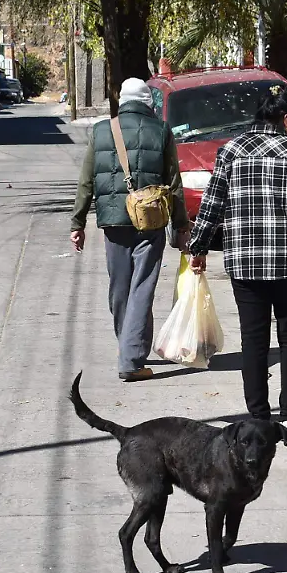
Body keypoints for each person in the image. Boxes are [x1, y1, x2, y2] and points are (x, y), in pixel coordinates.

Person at [187, 86, 287, 441]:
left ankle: (257, 419)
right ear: (285, 119)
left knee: (253, 341)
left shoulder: (231, 151)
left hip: (244, 262)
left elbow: (212, 207)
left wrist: (199, 248)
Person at [71, 77, 190, 382]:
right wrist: (181, 227)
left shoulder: (100, 130)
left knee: (120, 289)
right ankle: (131, 360)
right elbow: (174, 183)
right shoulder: (161, 131)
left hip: (113, 221)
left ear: (122, 100)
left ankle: (129, 347)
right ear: (148, 102)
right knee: (142, 289)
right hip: (150, 221)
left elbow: (86, 181)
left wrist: (78, 223)